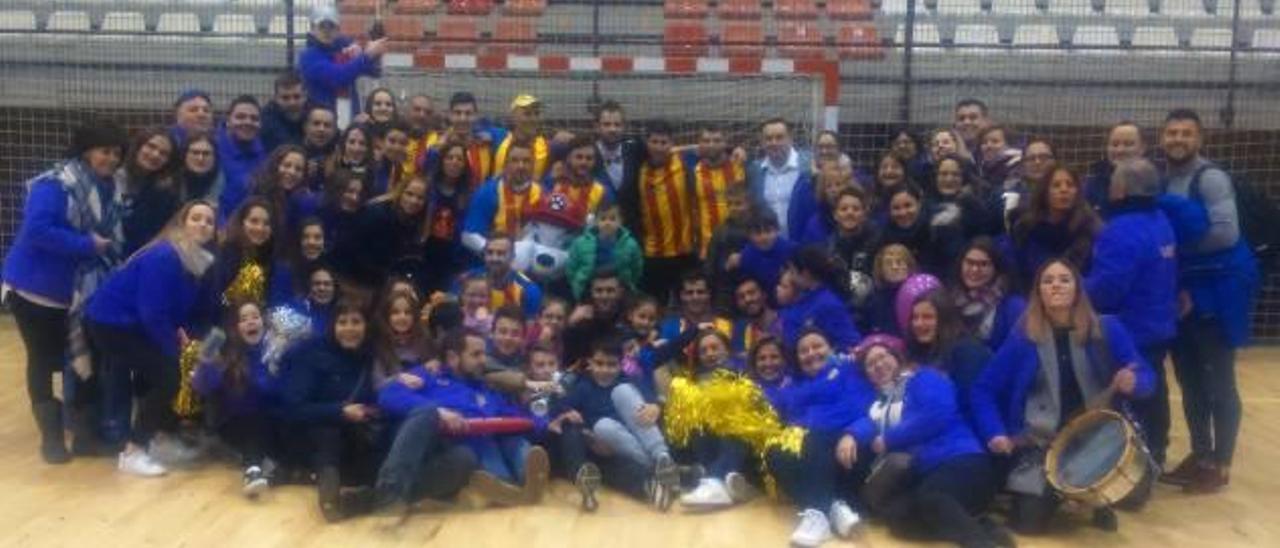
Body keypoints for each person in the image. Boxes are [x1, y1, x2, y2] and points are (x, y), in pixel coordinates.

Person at [970, 259, 1154, 534]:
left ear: (1078, 289)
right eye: (1048, 280)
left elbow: (1147, 377)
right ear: (1039, 292)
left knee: (1136, 496)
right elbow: (983, 389)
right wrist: (994, 432)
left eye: (1064, 279)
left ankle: (1077, 493)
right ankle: (1067, 493)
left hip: (1096, 438)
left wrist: (1134, 382)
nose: (1056, 285)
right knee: (1027, 525)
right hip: (1041, 444)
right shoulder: (1023, 338)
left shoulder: (1107, 328)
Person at [3, 119, 127, 463]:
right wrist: (87, 244)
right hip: (36, 291)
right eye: (105, 151)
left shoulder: (112, 187)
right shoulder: (54, 184)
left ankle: (84, 435)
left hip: (83, 293)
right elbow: (37, 231)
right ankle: (51, 438)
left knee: (83, 358)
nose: (112, 159)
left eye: (117, 153)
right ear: (86, 151)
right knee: (42, 361)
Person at [1159, 108, 1259, 493]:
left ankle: (1221, 464)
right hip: (1183, 290)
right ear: (1162, 138)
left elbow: (1225, 234)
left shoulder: (1211, 177)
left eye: (1186, 133)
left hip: (1218, 291)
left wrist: (1172, 251)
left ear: (1200, 140)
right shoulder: (1163, 179)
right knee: (1188, 379)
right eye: (1172, 133)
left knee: (1219, 380)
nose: (1178, 140)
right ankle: (1200, 456)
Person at [85, 201, 217, 477]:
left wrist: (180, 336)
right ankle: (133, 452)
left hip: (135, 324)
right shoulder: (166, 256)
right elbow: (152, 312)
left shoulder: (196, 260)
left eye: (209, 221)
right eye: (196, 218)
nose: (203, 224)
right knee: (172, 376)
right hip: (112, 323)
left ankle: (155, 438)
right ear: (182, 223)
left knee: (167, 375)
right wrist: (175, 352)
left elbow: (176, 308)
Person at [841, 339, 1006, 547]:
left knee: (932, 498)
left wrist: (888, 439)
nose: (879, 365)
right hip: (928, 473)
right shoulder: (878, 404)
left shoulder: (923, 378)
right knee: (898, 519)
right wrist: (851, 435)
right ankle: (982, 526)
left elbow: (937, 413)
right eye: (871, 364)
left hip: (962, 461)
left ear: (897, 358)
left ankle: (981, 543)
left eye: (883, 357)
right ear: (868, 376)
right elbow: (867, 422)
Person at [1085, 158, 1178, 467]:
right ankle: (1158, 452)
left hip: (1131, 325)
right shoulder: (1161, 219)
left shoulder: (1121, 230)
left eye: (1113, 182)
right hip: (1160, 320)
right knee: (1156, 388)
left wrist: (1074, 284)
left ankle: (1139, 461)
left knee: (1134, 392)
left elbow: (1107, 288)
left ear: (1121, 189)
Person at [281, 299, 385, 521]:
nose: (349, 329)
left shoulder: (369, 357)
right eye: (342, 322)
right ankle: (328, 495)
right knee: (328, 433)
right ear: (332, 326)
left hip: (354, 436)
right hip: (311, 436)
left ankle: (358, 500)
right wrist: (339, 411)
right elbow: (293, 409)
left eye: (356, 322)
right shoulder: (312, 353)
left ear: (366, 326)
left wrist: (369, 411)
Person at [767, 328, 870, 548]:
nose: (811, 353)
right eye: (803, 351)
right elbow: (779, 412)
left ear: (831, 348)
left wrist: (852, 434)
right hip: (813, 450)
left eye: (817, 346)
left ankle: (818, 514)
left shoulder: (849, 371)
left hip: (850, 447)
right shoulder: (793, 386)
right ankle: (832, 508)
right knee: (774, 451)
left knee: (813, 438)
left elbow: (868, 410)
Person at [556, 336, 680, 510]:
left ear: (620, 364)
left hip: (644, 436)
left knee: (622, 391)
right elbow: (562, 406)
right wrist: (575, 420)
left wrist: (655, 406)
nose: (605, 369)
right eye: (599, 364)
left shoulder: (629, 380)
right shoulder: (583, 386)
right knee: (603, 426)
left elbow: (651, 400)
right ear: (590, 363)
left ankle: (662, 458)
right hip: (614, 444)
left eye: (611, 364)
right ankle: (662, 472)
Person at [192, 301, 285, 498]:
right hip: (236, 424)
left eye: (255, 317)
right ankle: (252, 470)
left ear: (264, 322)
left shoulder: (276, 352)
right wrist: (205, 363)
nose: (251, 322)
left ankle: (269, 467)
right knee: (255, 420)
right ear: (236, 328)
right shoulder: (228, 354)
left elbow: (279, 390)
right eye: (244, 319)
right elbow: (204, 386)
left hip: (272, 421)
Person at [619, 120, 696, 303]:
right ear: (647, 143)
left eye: (664, 142)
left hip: (683, 251)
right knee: (653, 305)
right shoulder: (638, 166)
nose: (659, 147)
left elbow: (710, 148)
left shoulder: (685, 163)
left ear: (671, 144)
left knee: (685, 304)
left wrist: (735, 151)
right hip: (652, 253)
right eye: (654, 142)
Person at [331, 175, 429, 292]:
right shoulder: (377, 214)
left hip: (378, 282)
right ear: (400, 192)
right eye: (409, 194)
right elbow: (352, 250)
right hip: (350, 278)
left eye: (420, 198)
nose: (414, 201)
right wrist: (389, 279)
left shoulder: (414, 223)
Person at [1008, 166, 1101, 286]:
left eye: (1070, 185)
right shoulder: (1025, 229)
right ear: (1044, 192)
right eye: (1056, 185)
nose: (1064, 190)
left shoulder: (1089, 230)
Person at [298, 5, 386, 125]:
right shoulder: (308, 56)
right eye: (322, 26)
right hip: (321, 123)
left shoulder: (344, 47)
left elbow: (375, 71)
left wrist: (375, 51)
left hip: (350, 116)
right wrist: (366, 55)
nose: (327, 31)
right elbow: (337, 77)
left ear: (338, 29)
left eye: (331, 26)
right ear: (312, 28)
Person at [462, 138, 543, 254]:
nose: (521, 166)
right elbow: (468, 235)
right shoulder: (488, 192)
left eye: (526, 161)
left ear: (533, 164)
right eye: (514, 161)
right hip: (493, 260)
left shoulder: (542, 194)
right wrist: (497, 252)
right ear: (506, 164)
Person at [778, 246, 861, 351]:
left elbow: (850, 344)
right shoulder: (802, 301)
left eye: (792, 271)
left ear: (805, 274)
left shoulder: (829, 304)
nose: (791, 277)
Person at [951, 237, 1026, 352]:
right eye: (969, 262)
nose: (975, 269)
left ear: (996, 268)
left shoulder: (1014, 307)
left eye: (984, 264)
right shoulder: (949, 301)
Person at [747, 118, 816, 240]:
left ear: (790, 139)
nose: (774, 143)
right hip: (768, 247)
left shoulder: (809, 165)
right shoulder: (755, 170)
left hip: (803, 246)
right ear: (762, 142)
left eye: (779, 137)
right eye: (768, 138)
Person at [420, 141, 474, 294]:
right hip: (425, 253)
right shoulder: (427, 187)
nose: (454, 162)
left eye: (459, 159)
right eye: (449, 157)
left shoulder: (468, 194)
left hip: (452, 260)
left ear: (465, 165)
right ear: (441, 161)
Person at [116, 128, 179, 256]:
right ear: (138, 146)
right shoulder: (111, 177)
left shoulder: (164, 194)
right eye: (151, 146)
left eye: (164, 153)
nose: (155, 155)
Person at [565, 199, 643, 300]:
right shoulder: (581, 243)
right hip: (588, 289)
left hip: (619, 290)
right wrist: (578, 283)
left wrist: (629, 282)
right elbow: (572, 267)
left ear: (621, 221)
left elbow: (636, 267)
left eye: (612, 219)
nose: (607, 223)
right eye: (603, 219)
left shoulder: (630, 244)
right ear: (596, 221)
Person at [880, 184, 964, 276]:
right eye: (896, 208)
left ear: (919, 204)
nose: (903, 212)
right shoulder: (884, 236)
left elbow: (955, 266)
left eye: (908, 206)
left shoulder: (941, 229)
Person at [688, 126, 747, 257]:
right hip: (708, 249)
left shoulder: (741, 167)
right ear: (700, 144)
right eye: (706, 141)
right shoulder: (693, 172)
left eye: (717, 140)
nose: (711, 145)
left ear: (725, 142)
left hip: (740, 247)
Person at [419, 92, 494, 189]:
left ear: (475, 115)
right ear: (449, 115)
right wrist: (437, 149)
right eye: (458, 113)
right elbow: (421, 172)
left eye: (468, 113)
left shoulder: (485, 146)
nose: (463, 119)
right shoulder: (432, 141)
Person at [826, 187, 880, 316]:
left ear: (864, 213)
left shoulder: (877, 241)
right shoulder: (829, 246)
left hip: (871, 309)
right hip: (840, 309)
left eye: (856, 209)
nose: (850, 213)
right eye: (844, 209)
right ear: (835, 214)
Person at [217, 95, 268, 224]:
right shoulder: (213, 150)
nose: (248, 122)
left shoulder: (264, 154)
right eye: (240, 117)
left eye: (254, 118)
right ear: (228, 120)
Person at [704, 184, 754, 309]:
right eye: (729, 204)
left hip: (753, 289)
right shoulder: (720, 230)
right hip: (725, 291)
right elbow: (711, 263)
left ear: (749, 203)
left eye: (738, 204)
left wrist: (745, 256)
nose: (733, 208)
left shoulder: (759, 229)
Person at [1084, 121, 1147, 211]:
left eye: (1128, 144)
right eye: (1114, 144)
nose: (1120, 150)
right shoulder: (1093, 186)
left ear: (1142, 148)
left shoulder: (1157, 185)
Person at [491, 94, 555, 183]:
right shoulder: (502, 143)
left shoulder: (545, 145)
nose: (533, 119)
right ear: (514, 118)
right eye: (527, 114)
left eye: (537, 113)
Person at [737, 208, 795, 300]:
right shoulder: (747, 255)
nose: (764, 237)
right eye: (757, 233)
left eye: (768, 231)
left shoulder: (791, 249)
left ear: (777, 230)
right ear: (749, 235)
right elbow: (748, 283)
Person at [728, 277, 780, 361]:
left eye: (752, 293)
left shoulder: (787, 321)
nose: (747, 299)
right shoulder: (740, 330)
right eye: (741, 297)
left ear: (764, 294)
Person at [592, 100, 638, 192]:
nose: (612, 129)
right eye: (606, 124)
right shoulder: (588, 154)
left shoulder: (634, 151)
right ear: (596, 127)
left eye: (617, 124)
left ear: (624, 127)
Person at [260, 71, 308, 153]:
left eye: (297, 97)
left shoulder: (313, 113)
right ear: (275, 98)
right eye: (285, 98)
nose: (292, 103)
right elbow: (289, 149)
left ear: (305, 96)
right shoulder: (267, 121)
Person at [173, 132, 224, 205]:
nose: (200, 158)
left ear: (215, 157)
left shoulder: (223, 184)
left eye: (206, 153)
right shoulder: (171, 184)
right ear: (184, 155)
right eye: (195, 153)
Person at [400, 94, 437, 181]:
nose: (422, 115)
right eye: (417, 109)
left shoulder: (437, 141)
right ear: (407, 112)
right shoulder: (393, 138)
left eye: (428, 112)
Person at [371, 120, 413, 197]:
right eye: (392, 141)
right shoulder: (371, 168)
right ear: (382, 142)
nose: (397, 148)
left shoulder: (407, 171)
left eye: (402, 143)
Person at [301, 105, 339, 190]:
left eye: (327, 125)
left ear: (335, 130)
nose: (321, 129)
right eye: (316, 124)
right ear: (305, 127)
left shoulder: (342, 156)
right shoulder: (292, 154)